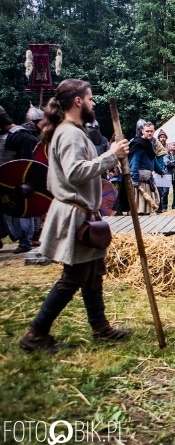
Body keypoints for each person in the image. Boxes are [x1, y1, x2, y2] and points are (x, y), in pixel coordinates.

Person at [19, 78, 131, 353]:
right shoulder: (69, 133)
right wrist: (110, 156)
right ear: (78, 101)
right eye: (90, 98)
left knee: (92, 271)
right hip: (75, 213)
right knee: (74, 277)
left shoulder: (72, 131)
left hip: (82, 212)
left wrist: (107, 157)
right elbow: (75, 172)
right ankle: (36, 334)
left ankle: (100, 326)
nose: (93, 103)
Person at [1, 105, 44, 252]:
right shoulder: (7, 134)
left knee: (22, 211)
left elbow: (27, 165)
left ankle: (25, 241)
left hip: (19, 183)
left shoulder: (21, 135)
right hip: (5, 181)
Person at [128, 121, 165, 215]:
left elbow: (153, 159)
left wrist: (160, 171)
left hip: (148, 180)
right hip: (140, 182)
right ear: (142, 131)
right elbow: (134, 163)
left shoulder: (150, 144)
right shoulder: (138, 144)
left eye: (151, 131)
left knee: (147, 210)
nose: (149, 133)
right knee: (139, 210)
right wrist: (135, 181)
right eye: (147, 131)